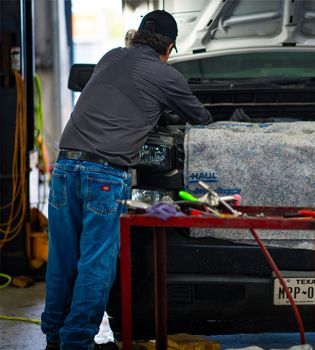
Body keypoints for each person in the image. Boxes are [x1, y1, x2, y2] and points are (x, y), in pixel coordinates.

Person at [41, 10, 212, 350]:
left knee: (62, 259)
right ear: (170, 47)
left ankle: (55, 338)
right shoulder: (167, 75)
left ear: (136, 36)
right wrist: (166, 108)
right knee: (96, 262)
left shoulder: (110, 57)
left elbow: (119, 97)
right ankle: (76, 343)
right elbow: (202, 118)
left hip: (64, 168)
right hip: (104, 175)